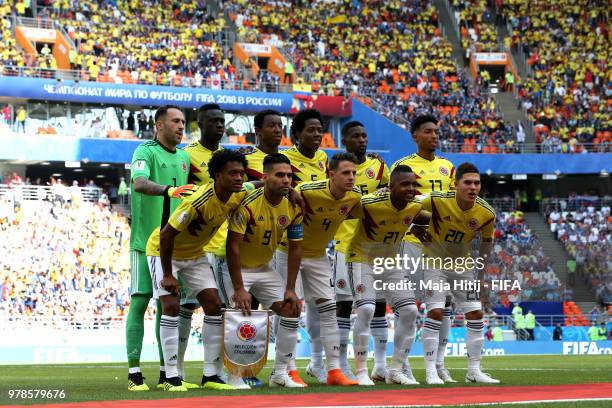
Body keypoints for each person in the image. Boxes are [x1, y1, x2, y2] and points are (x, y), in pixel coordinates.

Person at [146, 150, 251, 391]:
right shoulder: (197, 201)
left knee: (214, 305)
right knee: (171, 306)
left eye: (241, 173)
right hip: (164, 252)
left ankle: (211, 375)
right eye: (232, 173)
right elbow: (166, 235)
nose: (239, 178)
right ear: (216, 175)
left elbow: (257, 185)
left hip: (195, 255)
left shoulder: (238, 193)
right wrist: (169, 274)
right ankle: (171, 377)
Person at [275, 153, 361, 386]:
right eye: (345, 173)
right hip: (286, 251)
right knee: (288, 307)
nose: (351, 177)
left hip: (318, 256)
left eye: (354, 173)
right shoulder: (307, 191)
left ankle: (334, 371)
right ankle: (287, 370)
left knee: (328, 307)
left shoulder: (354, 197)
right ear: (331, 175)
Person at [125, 105, 195, 391]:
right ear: (159, 125)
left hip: (172, 247)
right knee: (141, 301)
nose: (181, 126)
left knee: (167, 305)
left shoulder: (184, 156)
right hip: (144, 244)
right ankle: (134, 372)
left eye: (183, 122)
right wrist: (168, 190)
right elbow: (139, 183)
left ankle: (167, 373)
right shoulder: (145, 152)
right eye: (175, 121)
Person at [222, 153, 304, 388]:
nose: (286, 180)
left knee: (291, 308)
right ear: (265, 177)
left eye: (289, 176)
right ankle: (235, 375)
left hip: (264, 267)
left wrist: (290, 289)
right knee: (239, 311)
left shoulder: (294, 207)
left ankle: (280, 374)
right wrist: (239, 287)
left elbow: (296, 249)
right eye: (280, 175)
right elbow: (232, 247)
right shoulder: (247, 204)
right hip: (235, 267)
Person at [420, 163, 500, 384]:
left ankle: (474, 371)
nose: (473, 187)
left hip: (462, 267)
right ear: (456, 185)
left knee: (475, 314)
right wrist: (422, 236)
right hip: (433, 263)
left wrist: (481, 277)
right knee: (436, 311)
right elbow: (410, 212)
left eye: (476, 183)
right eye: (467, 182)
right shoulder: (436, 200)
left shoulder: (486, 212)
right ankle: (430, 371)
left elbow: (486, 244)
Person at [391, 114, 457, 383]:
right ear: (415, 136)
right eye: (428, 131)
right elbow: (402, 202)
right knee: (409, 306)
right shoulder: (403, 166)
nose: (434, 136)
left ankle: (439, 364)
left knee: (445, 305)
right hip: (413, 243)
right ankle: (402, 362)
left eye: (436, 131)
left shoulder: (447, 166)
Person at [346, 165, 426, 386]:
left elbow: (427, 217)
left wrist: (417, 227)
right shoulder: (370, 204)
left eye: (413, 184)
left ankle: (395, 370)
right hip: (361, 258)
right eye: (405, 184)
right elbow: (341, 211)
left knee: (410, 310)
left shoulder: (416, 205)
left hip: (390, 262)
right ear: (390, 187)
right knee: (366, 309)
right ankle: (361, 371)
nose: (411, 189)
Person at [334, 121, 390, 382]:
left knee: (378, 304)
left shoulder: (378, 167)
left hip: (374, 247)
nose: (362, 140)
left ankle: (380, 364)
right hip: (344, 244)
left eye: (365, 135)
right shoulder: (338, 168)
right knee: (344, 305)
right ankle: (343, 365)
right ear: (344, 140)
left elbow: (391, 194)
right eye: (356, 136)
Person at [176, 103, 228, 386]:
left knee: (217, 308)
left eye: (222, 121)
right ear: (200, 125)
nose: (220, 125)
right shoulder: (186, 156)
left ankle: (213, 372)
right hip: (194, 244)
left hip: (222, 244)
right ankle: (177, 370)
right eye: (213, 121)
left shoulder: (228, 158)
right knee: (185, 306)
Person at [278, 108, 329, 385]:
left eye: (320, 129)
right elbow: (274, 187)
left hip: (317, 246)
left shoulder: (323, 159)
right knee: (291, 306)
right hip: (288, 245)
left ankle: (317, 364)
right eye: (311, 129)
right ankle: (288, 367)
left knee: (321, 307)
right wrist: (291, 190)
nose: (318, 134)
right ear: (296, 134)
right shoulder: (285, 160)